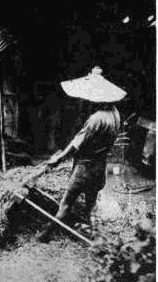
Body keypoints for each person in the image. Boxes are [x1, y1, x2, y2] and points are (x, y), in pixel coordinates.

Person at [37, 67, 126, 242]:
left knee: (65, 204)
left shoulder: (95, 119)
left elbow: (75, 144)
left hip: (85, 167)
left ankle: (45, 234)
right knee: (91, 205)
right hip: (100, 166)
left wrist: (58, 158)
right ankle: (96, 237)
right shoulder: (115, 114)